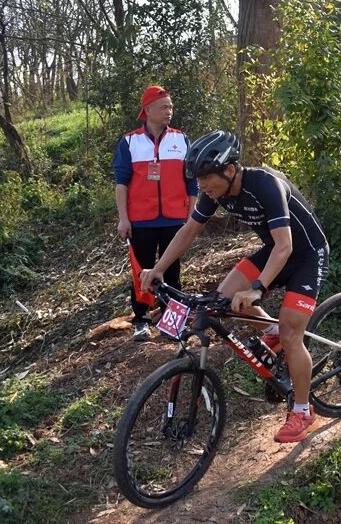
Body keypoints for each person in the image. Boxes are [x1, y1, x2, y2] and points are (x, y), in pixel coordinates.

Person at [139, 131, 329, 444]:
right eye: (198, 180)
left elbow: (285, 245)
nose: (201, 186)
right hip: (275, 250)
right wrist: (159, 268)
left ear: (229, 170)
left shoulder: (265, 184)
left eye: (205, 179)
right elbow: (190, 230)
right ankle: (272, 333)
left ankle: (302, 409)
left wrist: (258, 288)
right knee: (221, 299)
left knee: (292, 334)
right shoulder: (216, 192)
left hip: (306, 254)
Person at [113, 85, 198, 341]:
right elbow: (121, 183)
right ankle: (141, 320)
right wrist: (123, 218)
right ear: (148, 110)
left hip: (175, 218)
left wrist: (192, 215)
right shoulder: (130, 142)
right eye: (163, 107)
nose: (169, 111)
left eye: (171, 107)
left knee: (172, 272)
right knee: (142, 273)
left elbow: (192, 181)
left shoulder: (181, 140)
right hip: (141, 220)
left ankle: (173, 321)